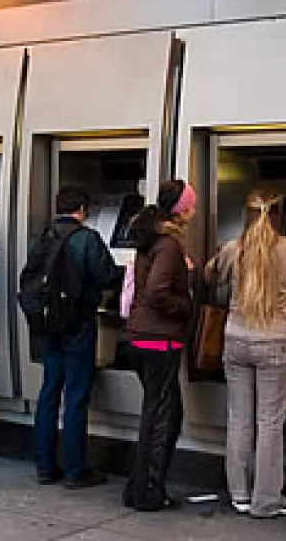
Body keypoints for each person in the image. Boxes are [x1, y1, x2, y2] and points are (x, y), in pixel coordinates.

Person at [208, 190, 286, 518]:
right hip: (274, 341)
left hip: (236, 338)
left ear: (247, 214)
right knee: (270, 422)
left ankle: (238, 493)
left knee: (239, 419)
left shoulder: (232, 249)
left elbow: (210, 275)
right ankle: (265, 500)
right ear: (280, 214)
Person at [32, 187, 122, 489]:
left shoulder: (43, 236)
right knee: (75, 395)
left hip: (47, 325)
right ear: (82, 209)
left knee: (48, 392)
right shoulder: (87, 238)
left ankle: (45, 466)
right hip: (77, 324)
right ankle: (75, 469)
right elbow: (108, 276)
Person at [122, 180, 196, 511]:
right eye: (191, 204)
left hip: (142, 335)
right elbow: (157, 292)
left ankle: (138, 488)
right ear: (182, 210)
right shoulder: (167, 245)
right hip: (159, 339)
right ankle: (149, 493)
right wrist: (187, 305)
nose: (194, 209)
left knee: (159, 413)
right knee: (162, 416)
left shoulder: (151, 241)